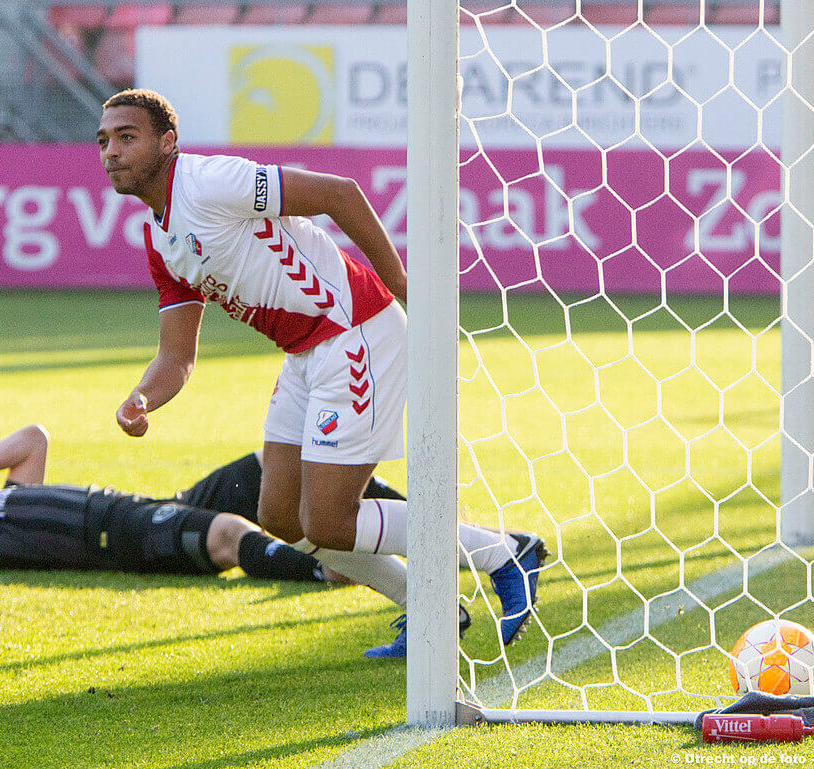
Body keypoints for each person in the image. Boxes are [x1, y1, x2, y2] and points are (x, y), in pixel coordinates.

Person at [97, 88, 545, 657]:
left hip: (355, 331)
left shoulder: (209, 182)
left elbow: (340, 194)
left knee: (330, 519)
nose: (111, 151)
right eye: (105, 140)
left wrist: (402, 283)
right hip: (305, 354)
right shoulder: (160, 239)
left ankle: (506, 553)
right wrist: (140, 399)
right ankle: (428, 611)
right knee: (281, 516)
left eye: (126, 137)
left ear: (168, 142)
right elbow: (176, 358)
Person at [0, 424, 330, 583]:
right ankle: (322, 570)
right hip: (118, 536)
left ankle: (399, 510)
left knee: (269, 464)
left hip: (135, 510)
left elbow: (33, 441)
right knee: (228, 533)